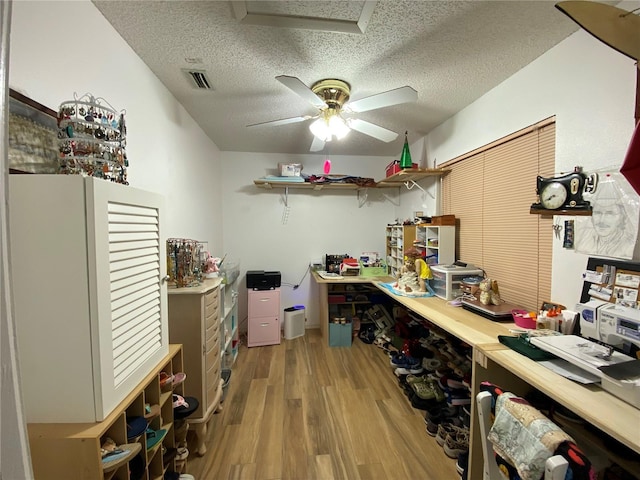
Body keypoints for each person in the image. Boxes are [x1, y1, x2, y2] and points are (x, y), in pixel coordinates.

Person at [575, 177, 637, 259]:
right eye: (597, 213)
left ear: (622, 217)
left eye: (610, 214)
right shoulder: (585, 240)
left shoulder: (628, 246)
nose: (602, 220)